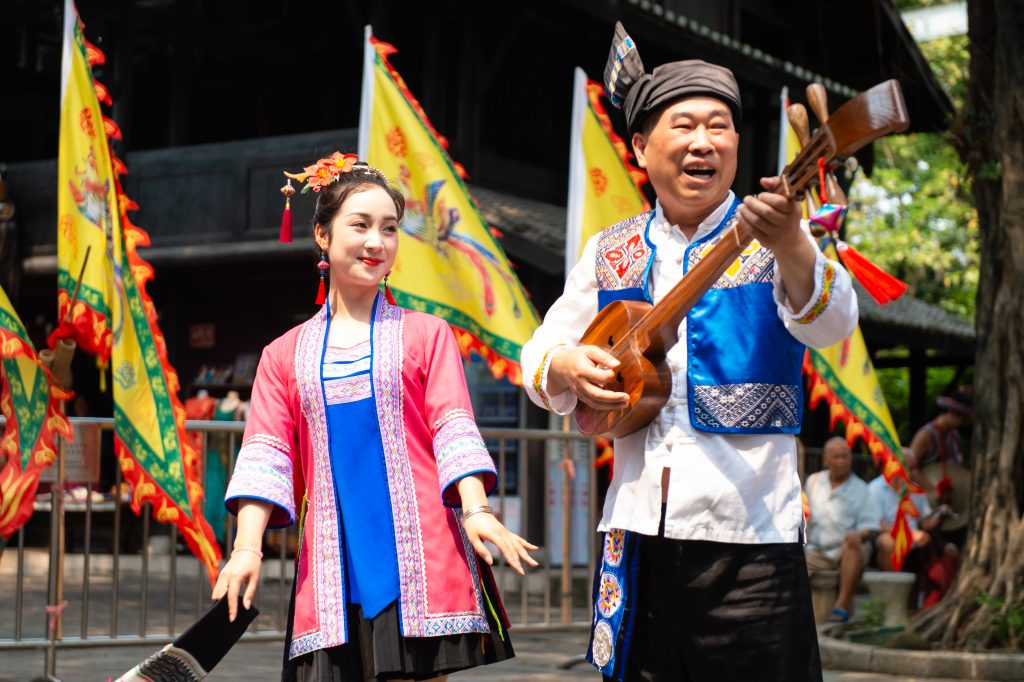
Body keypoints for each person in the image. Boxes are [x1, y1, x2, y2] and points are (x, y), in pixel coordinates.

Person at [520, 23, 858, 682]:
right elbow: (542, 348)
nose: (704, 141)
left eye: (720, 126)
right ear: (642, 147)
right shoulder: (610, 249)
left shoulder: (776, 236)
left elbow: (834, 322)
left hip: (752, 539)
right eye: (685, 126)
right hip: (637, 535)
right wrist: (564, 365)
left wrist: (792, 243)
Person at [214, 154, 537, 682]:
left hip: (420, 557)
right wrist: (246, 547)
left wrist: (476, 510)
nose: (376, 242)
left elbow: (453, 426)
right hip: (332, 562)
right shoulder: (283, 355)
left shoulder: (427, 335)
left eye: (389, 229)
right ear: (322, 234)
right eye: (360, 225)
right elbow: (265, 455)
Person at [868, 447, 959, 607]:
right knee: (887, 542)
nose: (912, 471)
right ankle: (892, 601)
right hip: (891, 541)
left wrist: (939, 515)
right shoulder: (875, 488)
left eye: (913, 467)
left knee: (950, 550)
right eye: (908, 466)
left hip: (915, 544)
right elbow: (878, 524)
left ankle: (939, 601)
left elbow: (925, 522)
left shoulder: (915, 489)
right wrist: (909, 533)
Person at [804, 437, 880, 623]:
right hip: (817, 550)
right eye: (835, 457)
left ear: (850, 459)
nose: (841, 461)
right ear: (826, 460)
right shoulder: (813, 481)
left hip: (846, 550)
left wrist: (858, 535)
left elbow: (870, 527)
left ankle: (841, 605)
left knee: (853, 545)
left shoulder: (862, 489)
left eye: (844, 456)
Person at [909, 387, 972, 497]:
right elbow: (910, 467)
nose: (964, 423)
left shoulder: (954, 436)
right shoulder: (926, 435)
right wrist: (932, 491)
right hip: (924, 498)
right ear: (952, 412)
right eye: (963, 419)